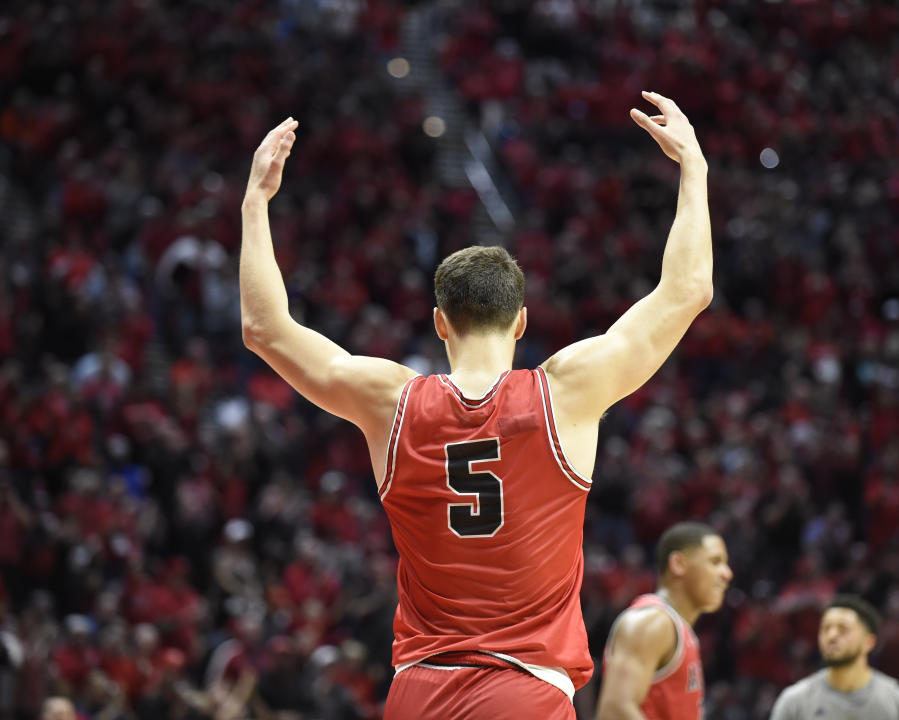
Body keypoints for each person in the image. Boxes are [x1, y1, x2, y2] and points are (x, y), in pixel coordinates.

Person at [239, 91, 712, 718]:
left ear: (439, 322)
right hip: (525, 689)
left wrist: (254, 203)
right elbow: (687, 291)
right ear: (521, 322)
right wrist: (694, 169)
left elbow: (264, 330)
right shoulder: (565, 391)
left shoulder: (391, 401)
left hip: (418, 691)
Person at [596, 522, 732, 720]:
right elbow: (615, 711)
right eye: (715, 561)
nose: (727, 573)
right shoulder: (651, 622)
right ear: (678, 564)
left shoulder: (679, 629)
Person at [770, 595, 899, 720]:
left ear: (868, 642)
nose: (832, 636)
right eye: (826, 628)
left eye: (843, 629)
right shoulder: (794, 700)